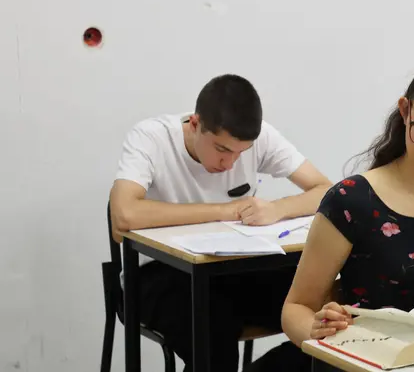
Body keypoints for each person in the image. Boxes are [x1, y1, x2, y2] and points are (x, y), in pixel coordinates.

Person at [244, 43, 414, 371]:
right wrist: (315, 329)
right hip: (362, 361)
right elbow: (296, 309)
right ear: (405, 111)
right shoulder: (352, 200)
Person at [109, 74, 332, 372]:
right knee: (214, 335)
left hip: (233, 266)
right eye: (222, 150)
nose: (230, 164)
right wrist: (223, 210)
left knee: (323, 312)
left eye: (241, 154)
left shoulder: (260, 137)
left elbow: (327, 192)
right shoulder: (151, 137)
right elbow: (124, 213)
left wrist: (278, 208)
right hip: (157, 274)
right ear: (195, 123)